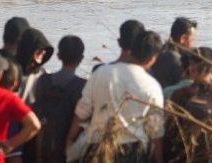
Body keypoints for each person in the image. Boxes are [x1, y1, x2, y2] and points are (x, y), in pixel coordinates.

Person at [69, 30, 165, 163]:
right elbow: (156, 131)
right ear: (152, 59)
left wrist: (69, 142)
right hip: (133, 153)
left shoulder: (101, 73)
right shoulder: (152, 86)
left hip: (97, 149)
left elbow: (81, 112)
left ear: (131, 50)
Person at [30, 35, 86, 163]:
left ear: (59, 55)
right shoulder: (83, 86)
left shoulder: (43, 81)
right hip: (68, 150)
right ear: (81, 58)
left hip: (41, 147)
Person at [151, 17, 197, 89]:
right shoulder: (176, 59)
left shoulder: (162, 50)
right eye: (193, 40)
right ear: (183, 39)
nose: (193, 44)